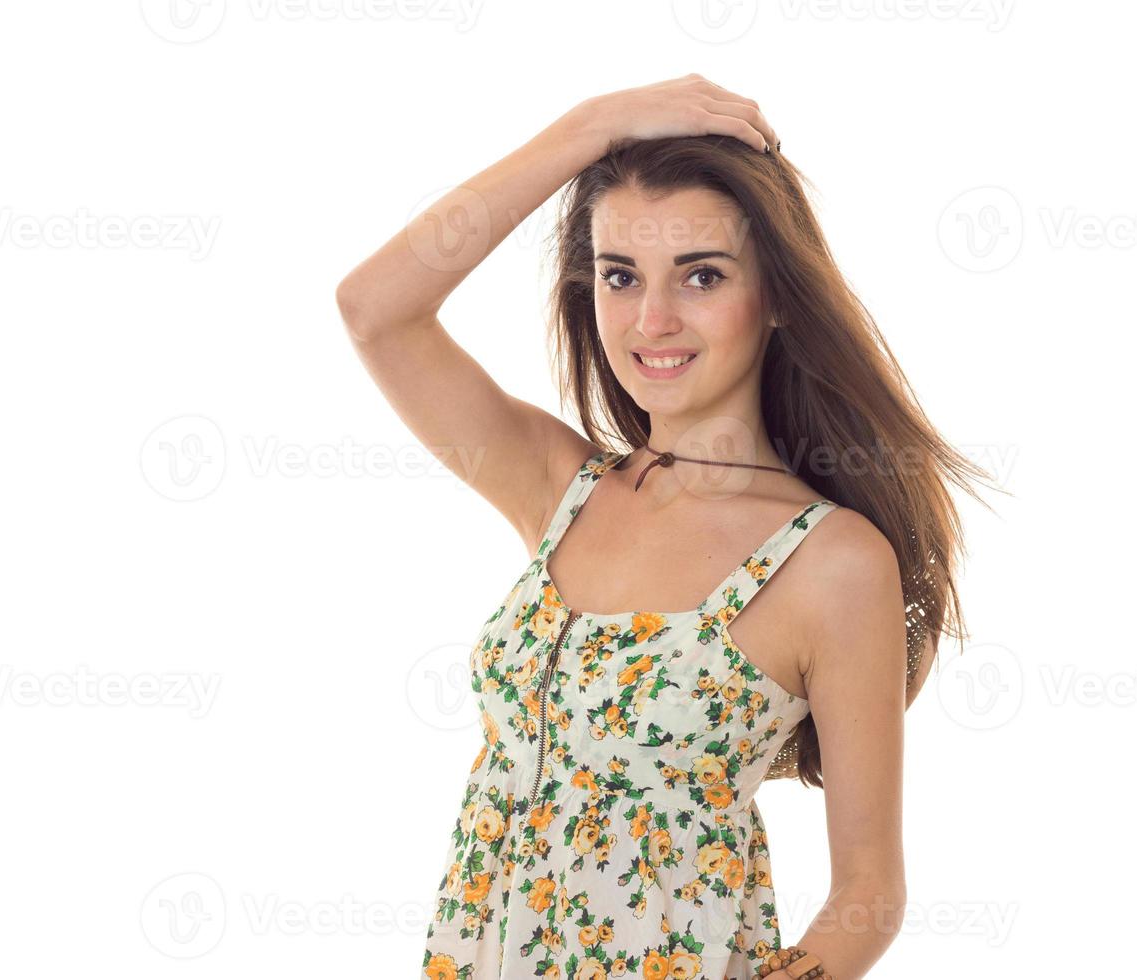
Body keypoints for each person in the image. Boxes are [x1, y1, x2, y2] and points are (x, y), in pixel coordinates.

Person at [337, 73, 992, 980]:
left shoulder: (831, 562)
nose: (652, 320)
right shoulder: (559, 490)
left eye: (701, 275)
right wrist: (589, 128)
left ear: (776, 297)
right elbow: (375, 310)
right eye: (620, 275)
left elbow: (868, 896)